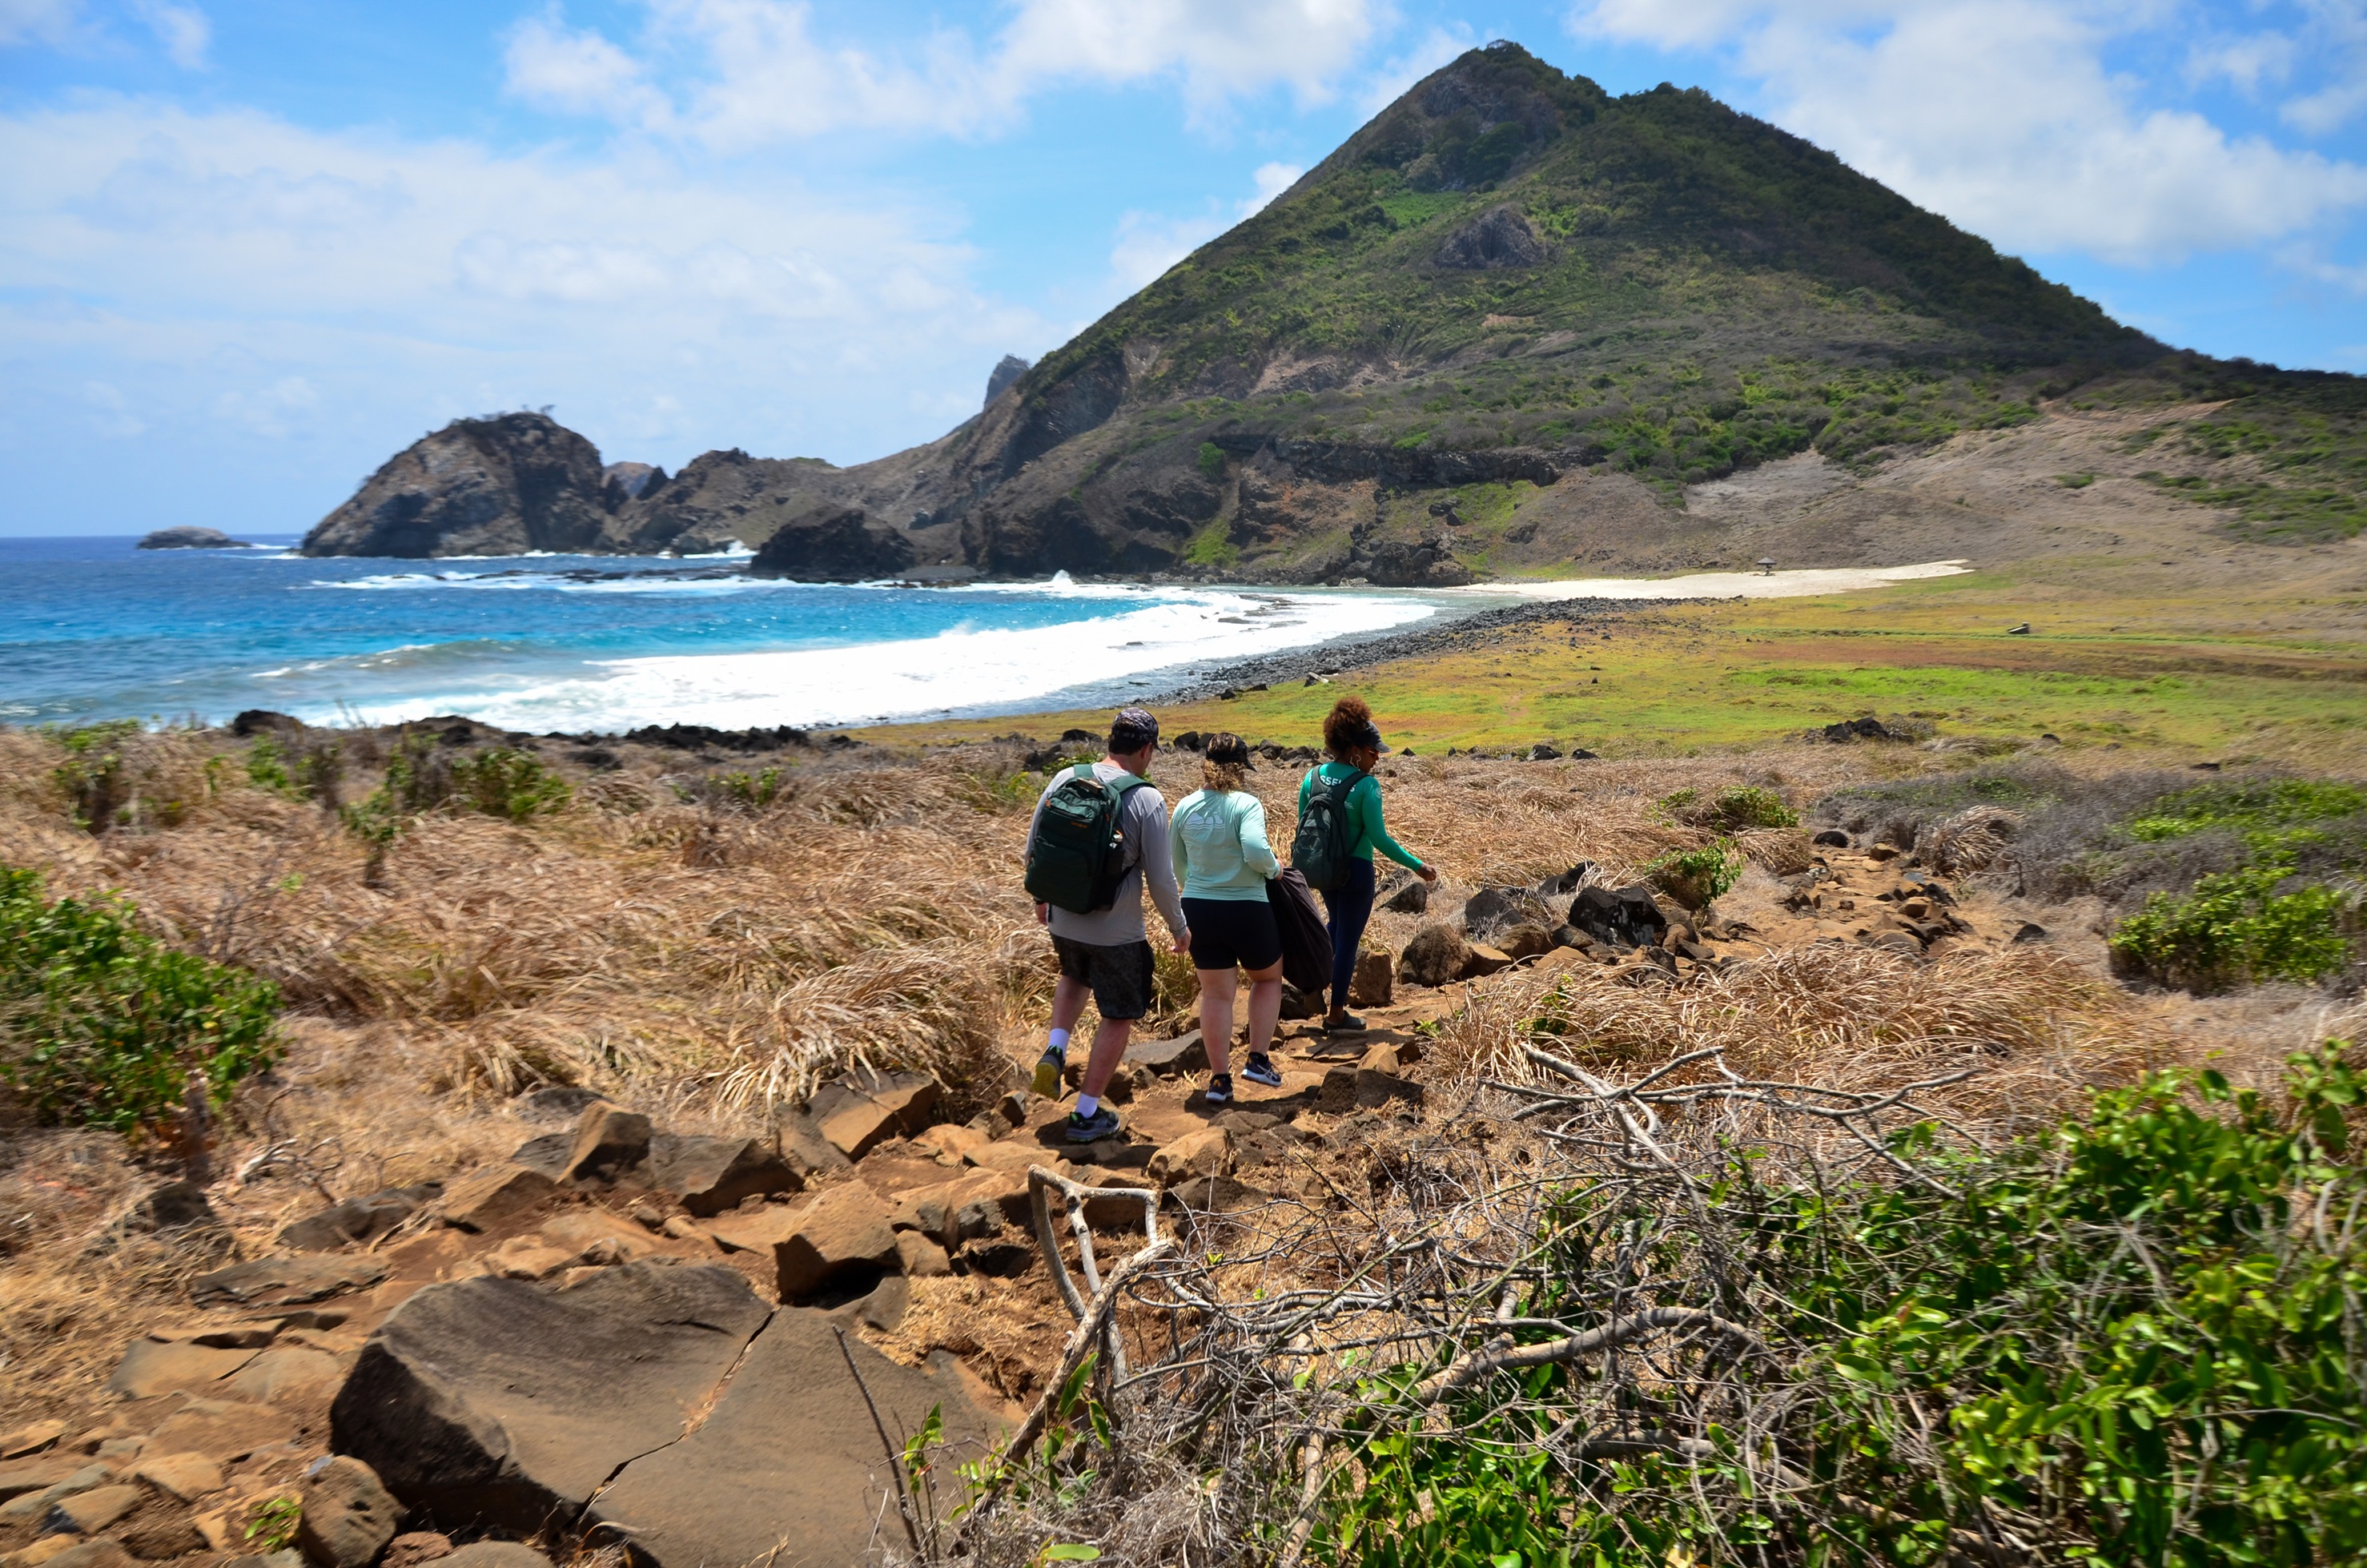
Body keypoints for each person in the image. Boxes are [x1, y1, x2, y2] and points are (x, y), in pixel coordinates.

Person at [1028, 706, 1188, 1143]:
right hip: (1116, 934)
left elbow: (1035, 844)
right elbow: (1160, 878)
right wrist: (1178, 927)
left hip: (1064, 921)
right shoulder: (1147, 798)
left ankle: (1056, 1048)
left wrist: (1043, 899)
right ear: (1145, 748)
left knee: (1074, 974)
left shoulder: (1066, 777)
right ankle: (1086, 1114)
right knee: (1118, 1014)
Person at [1299, 696, 1436, 1034]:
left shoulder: (1311, 777)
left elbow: (1304, 825)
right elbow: (1380, 840)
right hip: (1357, 873)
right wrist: (1418, 866)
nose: (1377, 760)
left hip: (1324, 870)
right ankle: (1336, 1015)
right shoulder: (1367, 786)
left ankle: (1311, 983)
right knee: (1347, 938)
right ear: (1357, 750)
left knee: (1335, 927)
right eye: (1375, 753)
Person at [1167, 733, 1287, 1105]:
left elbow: (1177, 864)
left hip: (1199, 908)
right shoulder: (1247, 804)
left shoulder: (1184, 806)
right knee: (1267, 979)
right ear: (1239, 770)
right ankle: (1257, 1060)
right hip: (1246, 907)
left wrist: (1199, 889)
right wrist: (1274, 869)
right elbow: (1254, 848)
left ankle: (1219, 1081)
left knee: (1216, 995)